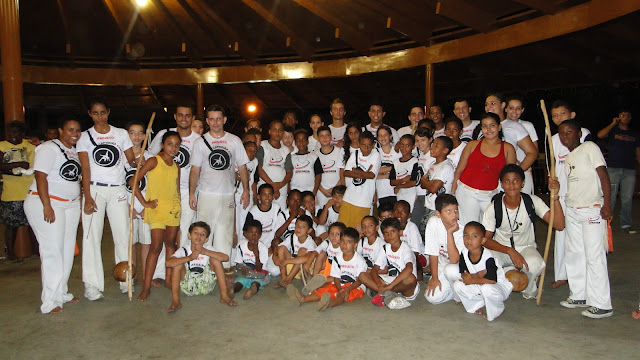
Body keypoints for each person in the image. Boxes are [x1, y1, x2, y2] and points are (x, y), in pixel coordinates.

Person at [77, 97, 136, 300]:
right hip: (94, 189)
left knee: (122, 235)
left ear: (108, 112)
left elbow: (130, 160)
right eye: (95, 113)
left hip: (117, 189)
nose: (99, 117)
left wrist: (140, 162)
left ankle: (125, 278)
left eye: (103, 112)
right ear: (90, 114)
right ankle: (92, 285)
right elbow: (85, 168)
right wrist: (87, 196)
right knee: (92, 237)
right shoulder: (84, 137)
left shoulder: (120, 134)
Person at [481, 164, 565, 300]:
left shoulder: (532, 202)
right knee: (488, 261)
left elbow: (559, 225)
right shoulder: (494, 207)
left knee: (536, 263)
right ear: (501, 184)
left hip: (526, 248)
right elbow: (485, 240)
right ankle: (503, 282)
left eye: (516, 180)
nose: (512, 185)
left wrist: (555, 197)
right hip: (502, 249)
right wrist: (509, 251)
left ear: (523, 183)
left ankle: (528, 287)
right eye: (507, 181)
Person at [24, 118, 81, 314]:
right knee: (52, 252)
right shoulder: (49, 148)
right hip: (49, 203)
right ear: (60, 130)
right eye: (70, 129)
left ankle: (61, 292)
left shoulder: (73, 151)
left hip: (70, 205)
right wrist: (46, 205)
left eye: (77, 130)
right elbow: (40, 176)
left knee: (66, 250)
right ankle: (49, 301)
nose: (74, 133)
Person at [558, 119, 613, 319]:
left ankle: (602, 304)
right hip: (573, 209)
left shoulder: (590, 147)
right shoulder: (569, 157)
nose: (566, 136)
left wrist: (607, 204)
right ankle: (579, 294)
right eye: (562, 133)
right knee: (574, 253)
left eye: (569, 132)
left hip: (592, 209)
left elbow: (603, 175)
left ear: (579, 133)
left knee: (594, 256)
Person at [189, 105, 251, 270]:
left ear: (224, 120)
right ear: (207, 121)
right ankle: (202, 268)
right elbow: (195, 170)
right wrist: (191, 194)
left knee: (225, 232)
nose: (215, 122)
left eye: (218, 118)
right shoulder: (200, 142)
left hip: (227, 194)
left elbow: (242, 167)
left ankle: (224, 268)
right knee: (202, 233)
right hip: (206, 193)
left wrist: (246, 190)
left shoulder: (234, 140)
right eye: (212, 119)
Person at [131, 131, 181, 301]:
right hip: (157, 210)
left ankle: (169, 279)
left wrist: (178, 206)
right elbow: (133, 181)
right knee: (155, 247)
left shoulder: (176, 167)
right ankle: (146, 286)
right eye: (169, 144)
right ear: (162, 145)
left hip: (173, 210)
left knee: (170, 244)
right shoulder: (154, 161)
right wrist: (144, 203)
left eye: (176, 144)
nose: (173, 148)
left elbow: (176, 189)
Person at [549, 100, 591, 289]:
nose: (559, 118)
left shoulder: (584, 134)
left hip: (581, 194)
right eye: (555, 115)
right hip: (561, 194)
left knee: (581, 237)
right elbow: (554, 164)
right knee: (561, 233)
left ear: (572, 115)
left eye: (562, 114)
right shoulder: (552, 138)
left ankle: (583, 274)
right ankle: (561, 274)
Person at [452, 112, 516, 226]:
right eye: (485, 126)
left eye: (492, 125)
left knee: (490, 229)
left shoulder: (507, 148)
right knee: (469, 228)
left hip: (490, 195)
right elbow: (459, 170)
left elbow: (511, 175)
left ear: (499, 127)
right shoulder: (472, 145)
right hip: (467, 192)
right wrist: (452, 192)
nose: (488, 129)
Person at [150, 105, 201, 248]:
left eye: (187, 115)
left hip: (187, 191)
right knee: (164, 230)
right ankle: (161, 270)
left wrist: (193, 193)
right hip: (165, 191)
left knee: (186, 228)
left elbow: (200, 168)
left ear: (192, 118)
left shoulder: (198, 140)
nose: (184, 119)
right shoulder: (163, 134)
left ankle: (182, 265)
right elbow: (150, 156)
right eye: (180, 115)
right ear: (175, 117)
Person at [287, 227, 367, 311]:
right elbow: (336, 277)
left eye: (349, 242)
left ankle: (329, 303)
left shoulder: (360, 260)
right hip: (339, 284)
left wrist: (346, 289)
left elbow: (359, 281)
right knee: (323, 291)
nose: (344, 244)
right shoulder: (337, 258)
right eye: (342, 241)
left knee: (341, 295)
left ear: (355, 245)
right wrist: (339, 288)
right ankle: (303, 298)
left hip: (354, 286)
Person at [166, 221, 236, 313]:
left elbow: (225, 258)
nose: (199, 236)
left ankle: (224, 295)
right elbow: (168, 263)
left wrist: (205, 251)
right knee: (177, 265)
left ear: (206, 239)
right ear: (189, 235)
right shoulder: (184, 249)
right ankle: (175, 300)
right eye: (195, 233)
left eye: (203, 234)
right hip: (187, 285)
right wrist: (189, 257)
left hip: (206, 285)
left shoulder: (207, 248)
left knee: (216, 260)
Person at [450, 221, 513, 321]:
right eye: (466, 235)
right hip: (480, 283)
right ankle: (478, 304)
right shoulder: (464, 253)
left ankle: (497, 309)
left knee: (487, 289)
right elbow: (465, 275)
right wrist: (477, 275)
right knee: (458, 285)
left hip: (497, 287)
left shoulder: (488, 257)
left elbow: (492, 280)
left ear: (483, 240)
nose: (469, 239)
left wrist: (472, 280)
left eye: (474, 236)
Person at [124, 121, 162, 286]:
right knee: (130, 244)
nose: (137, 136)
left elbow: (153, 183)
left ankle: (148, 276)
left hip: (146, 203)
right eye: (133, 132)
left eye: (140, 133)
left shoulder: (149, 157)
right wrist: (127, 207)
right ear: (127, 135)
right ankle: (132, 275)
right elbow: (120, 183)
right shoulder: (121, 156)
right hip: (127, 203)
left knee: (147, 242)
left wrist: (147, 205)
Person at [360, 218, 418, 309]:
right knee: (362, 275)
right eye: (386, 233)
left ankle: (385, 292)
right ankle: (388, 294)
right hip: (389, 280)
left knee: (410, 278)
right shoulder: (385, 248)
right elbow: (375, 269)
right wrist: (379, 284)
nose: (390, 235)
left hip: (403, 285)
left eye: (392, 231)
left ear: (400, 232)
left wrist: (389, 286)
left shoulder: (406, 249)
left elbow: (409, 269)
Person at [597, 108, 639, 234]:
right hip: (613, 168)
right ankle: (605, 223)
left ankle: (626, 224)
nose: (625, 117)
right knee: (611, 196)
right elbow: (600, 135)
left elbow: (638, 152)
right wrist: (613, 123)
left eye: (627, 115)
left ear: (630, 118)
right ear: (618, 117)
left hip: (629, 169)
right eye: (622, 115)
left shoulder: (635, 134)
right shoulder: (613, 130)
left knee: (627, 198)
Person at [0, 120, 36, 260]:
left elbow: (33, 166)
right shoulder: (2, 146)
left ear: (22, 133)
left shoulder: (30, 147)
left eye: (15, 132)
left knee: (32, 224)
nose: (12, 135)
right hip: (11, 193)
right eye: (9, 133)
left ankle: (35, 250)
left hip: (28, 191)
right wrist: (19, 164)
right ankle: (11, 253)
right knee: (11, 226)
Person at [423, 194, 464, 305]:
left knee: (450, 269)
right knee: (432, 297)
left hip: (457, 270)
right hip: (441, 266)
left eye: (456, 210)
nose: (454, 215)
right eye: (448, 211)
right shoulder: (433, 222)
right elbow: (433, 253)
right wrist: (435, 278)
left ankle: (460, 292)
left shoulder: (462, 230)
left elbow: (454, 260)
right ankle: (457, 291)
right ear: (438, 214)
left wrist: (450, 233)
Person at [338, 131, 381, 229]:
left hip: (364, 200)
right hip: (349, 197)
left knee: (358, 231)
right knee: (342, 228)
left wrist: (355, 171)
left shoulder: (375, 155)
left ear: (373, 145)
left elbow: (371, 175)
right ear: (359, 144)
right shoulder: (355, 153)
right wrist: (365, 173)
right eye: (363, 145)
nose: (366, 148)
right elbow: (346, 172)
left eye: (369, 145)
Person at [502, 94, 538, 195]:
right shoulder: (501, 126)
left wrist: (519, 170)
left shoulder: (527, 126)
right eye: (511, 108)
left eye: (518, 108)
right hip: (504, 173)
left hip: (523, 170)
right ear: (505, 109)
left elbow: (534, 150)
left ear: (522, 110)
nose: (514, 112)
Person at [228, 219, 271, 300]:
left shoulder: (263, 248)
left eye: (256, 233)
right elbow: (238, 263)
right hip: (247, 273)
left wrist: (257, 255)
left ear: (260, 235)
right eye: (251, 233)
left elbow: (259, 269)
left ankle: (253, 289)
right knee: (240, 281)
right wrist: (243, 267)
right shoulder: (241, 246)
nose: (253, 236)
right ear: (245, 234)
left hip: (259, 273)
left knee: (258, 281)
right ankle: (233, 289)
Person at [273, 215, 317, 288]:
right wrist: (274, 257)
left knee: (302, 250)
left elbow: (306, 259)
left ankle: (288, 279)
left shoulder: (310, 243)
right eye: (297, 225)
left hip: (304, 269)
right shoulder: (293, 236)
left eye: (303, 227)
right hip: (292, 266)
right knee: (282, 248)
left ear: (309, 230)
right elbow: (278, 247)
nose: (298, 228)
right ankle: (283, 278)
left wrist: (287, 261)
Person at [420, 136, 454, 227]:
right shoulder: (433, 164)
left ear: (445, 150)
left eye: (436, 145)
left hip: (438, 208)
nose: (432, 147)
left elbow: (433, 188)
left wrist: (425, 181)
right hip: (429, 205)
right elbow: (423, 185)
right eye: (433, 144)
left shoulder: (445, 167)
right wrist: (425, 182)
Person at [257, 120, 292, 209]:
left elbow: (289, 172)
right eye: (275, 130)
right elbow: (259, 169)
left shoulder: (286, 150)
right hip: (265, 190)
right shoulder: (262, 146)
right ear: (269, 131)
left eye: (280, 130)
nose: (277, 133)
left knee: (280, 216)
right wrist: (272, 186)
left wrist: (280, 185)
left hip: (281, 190)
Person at [314, 125, 345, 209]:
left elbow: (342, 172)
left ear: (331, 137)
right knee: (323, 215)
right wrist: (322, 190)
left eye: (327, 135)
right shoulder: (314, 155)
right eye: (321, 136)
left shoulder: (339, 151)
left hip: (337, 191)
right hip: (322, 192)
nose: (325, 138)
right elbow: (314, 176)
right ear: (318, 138)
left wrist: (335, 189)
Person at [245, 184, 285, 248]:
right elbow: (245, 231)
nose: (267, 197)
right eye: (264, 195)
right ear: (258, 196)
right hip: (257, 244)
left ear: (273, 196)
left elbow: (279, 227)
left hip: (272, 244)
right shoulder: (253, 211)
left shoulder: (276, 208)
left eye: (270, 194)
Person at [234, 140, 259, 245]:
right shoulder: (234, 158)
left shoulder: (255, 162)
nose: (252, 153)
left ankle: (242, 249)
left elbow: (252, 181)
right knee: (234, 225)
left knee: (244, 224)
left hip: (246, 195)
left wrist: (254, 199)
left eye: (255, 151)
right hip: (234, 194)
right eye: (250, 150)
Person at [393, 200, 425, 280]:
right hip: (401, 256)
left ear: (409, 215)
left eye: (403, 212)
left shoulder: (412, 228)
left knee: (415, 260)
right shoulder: (393, 227)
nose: (399, 214)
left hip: (418, 256)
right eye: (396, 211)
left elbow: (415, 251)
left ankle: (418, 276)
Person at [389, 135, 420, 210]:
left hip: (412, 196)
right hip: (400, 196)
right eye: (402, 145)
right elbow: (392, 182)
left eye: (407, 145)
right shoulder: (395, 162)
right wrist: (402, 180)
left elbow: (413, 182)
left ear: (413, 147)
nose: (404, 148)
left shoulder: (415, 162)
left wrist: (399, 186)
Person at [375, 126, 401, 207]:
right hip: (381, 192)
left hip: (396, 192)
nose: (383, 138)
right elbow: (373, 172)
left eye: (385, 135)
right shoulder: (375, 153)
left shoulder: (398, 152)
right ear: (377, 138)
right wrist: (391, 172)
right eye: (380, 135)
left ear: (390, 136)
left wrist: (382, 172)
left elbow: (401, 170)